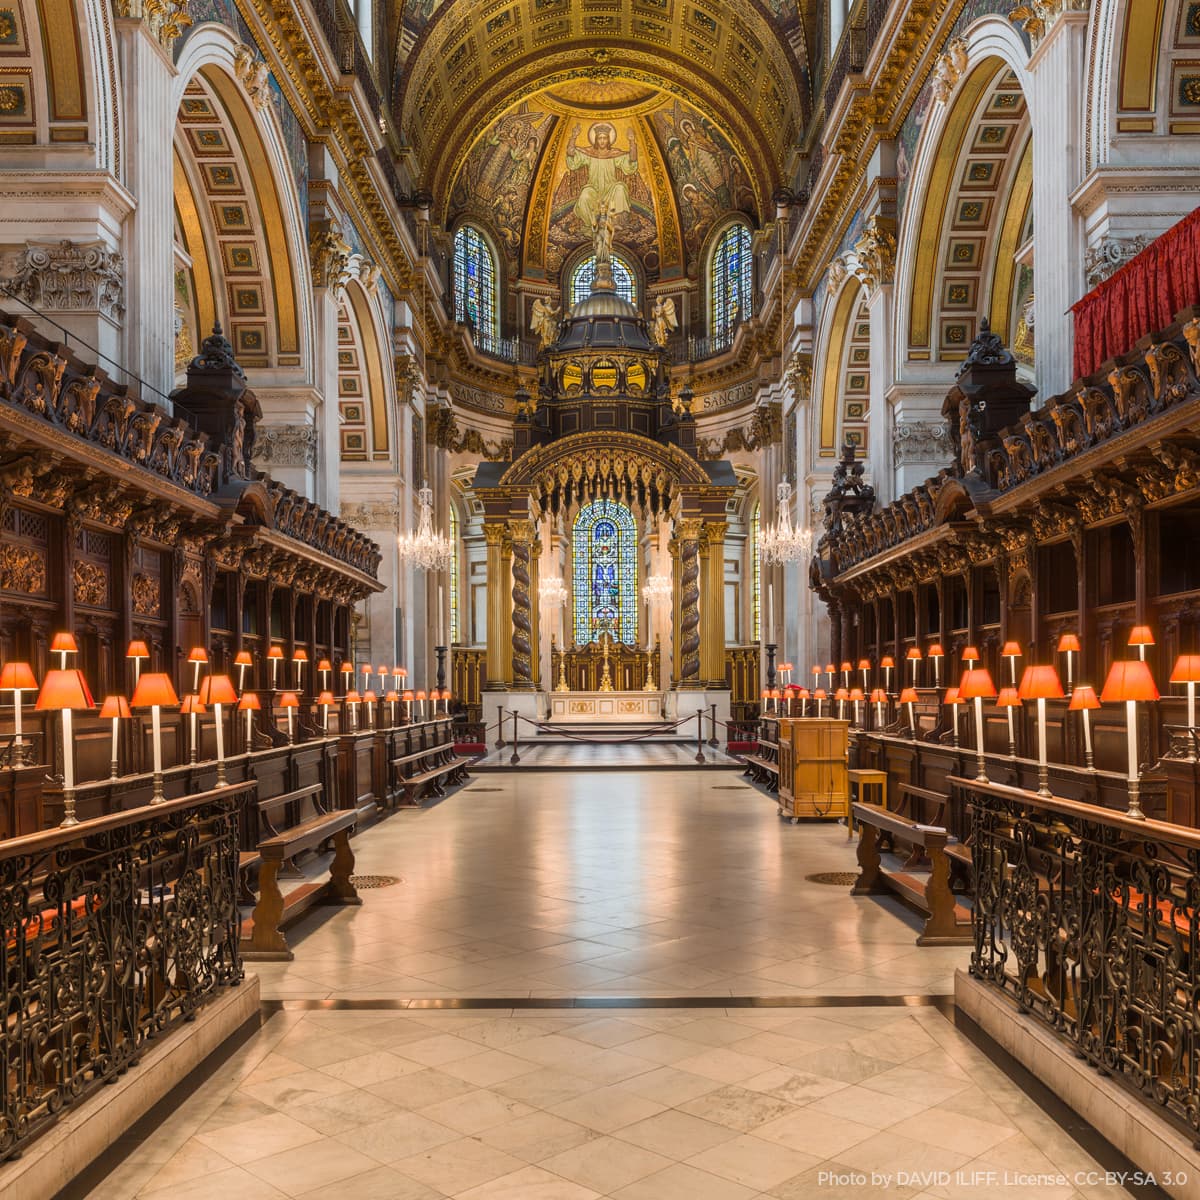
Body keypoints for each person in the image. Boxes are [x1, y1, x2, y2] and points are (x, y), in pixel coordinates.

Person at [565, 122, 638, 234]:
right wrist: (573, 137)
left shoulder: (613, 154)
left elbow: (631, 163)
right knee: (585, 194)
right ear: (596, 140)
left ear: (608, 140)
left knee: (620, 188)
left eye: (605, 138)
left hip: (610, 191)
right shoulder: (590, 153)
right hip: (594, 191)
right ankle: (593, 224)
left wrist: (632, 141)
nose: (602, 141)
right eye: (600, 138)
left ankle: (615, 223)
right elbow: (571, 156)